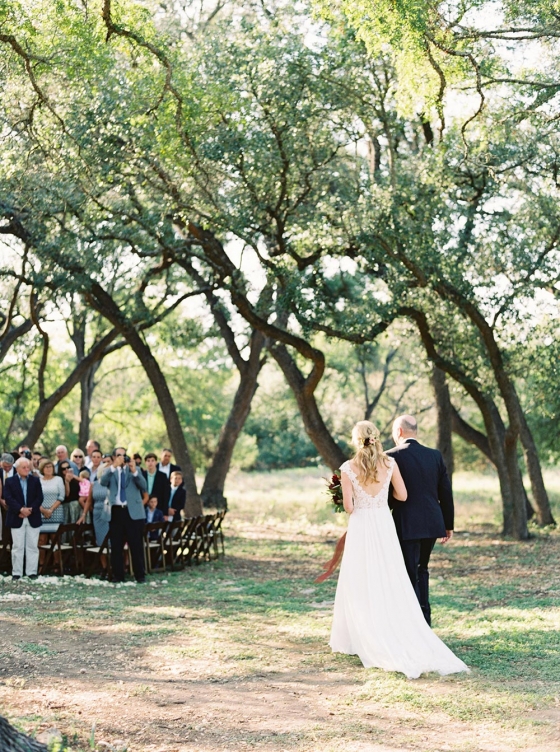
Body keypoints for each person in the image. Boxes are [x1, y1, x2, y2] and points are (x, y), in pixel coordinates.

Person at [329, 420, 468, 679]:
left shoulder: (348, 467)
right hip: (385, 524)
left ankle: (364, 632)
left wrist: (360, 499)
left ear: (356, 439)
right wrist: (379, 500)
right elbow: (404, 495)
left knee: (360, 578)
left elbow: (349, 507)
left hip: (364, 525)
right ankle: (413, 624)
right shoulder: (390, 462)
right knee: (393, 577)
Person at [386, 414, 454, 626]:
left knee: (408, 571)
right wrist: (448, 524)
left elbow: (386, 493)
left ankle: (413, 625)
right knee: (422, 569)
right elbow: (445, 491)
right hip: (433, 523)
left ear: (399, 432)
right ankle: (424, 619)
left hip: (405, 524)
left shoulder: (389, 457)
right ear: (415, 431)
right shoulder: (434, 455)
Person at [100, 448, 148, 583]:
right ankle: (118, 576)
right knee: (116, 546)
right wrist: (113, 467)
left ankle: (140, 575)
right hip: (115, 511)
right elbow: (103, 482)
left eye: (124, 455)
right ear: (114, 457)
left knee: (136, 545)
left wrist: (134, 471)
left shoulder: (134, 470)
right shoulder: (109, 470)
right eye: (119, 455)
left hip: (132, 512)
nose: (122, 458)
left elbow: (144, 486)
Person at [4, 457, 44, 580]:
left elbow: (39, 497)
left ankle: (32, 572)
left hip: (33, 516)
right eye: (24, 467)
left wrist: (29, 510)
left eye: (28, 467)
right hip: (17, 516)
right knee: (17, 546)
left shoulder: (35, 480)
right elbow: (8, 498)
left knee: (32, 546)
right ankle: (17, 572)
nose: (27, 469)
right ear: (17, 468)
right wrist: (21, 510)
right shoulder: (10, 481)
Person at [38, 459, 66, 566]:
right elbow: (35, 497)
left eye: (51, 467)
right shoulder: (38, 480)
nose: (49, 469)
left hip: (56, 511)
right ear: (42, 469)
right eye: (46, 467)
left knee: (55, 539)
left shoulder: (58, 479)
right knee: (42, 540)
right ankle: (41, 565)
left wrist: (50, 510)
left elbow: (61, 496)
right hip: (41, 512)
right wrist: (43, 510)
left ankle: (57, 565)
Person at [90, 454, 112, 577]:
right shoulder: (94, 484)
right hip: (97, 514)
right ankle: (104, 567)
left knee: (112, 541)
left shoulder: (112, 484)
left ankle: (113, 565)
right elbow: (89, 501)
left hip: (110, 513)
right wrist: (85, 514)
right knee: (101, 541)